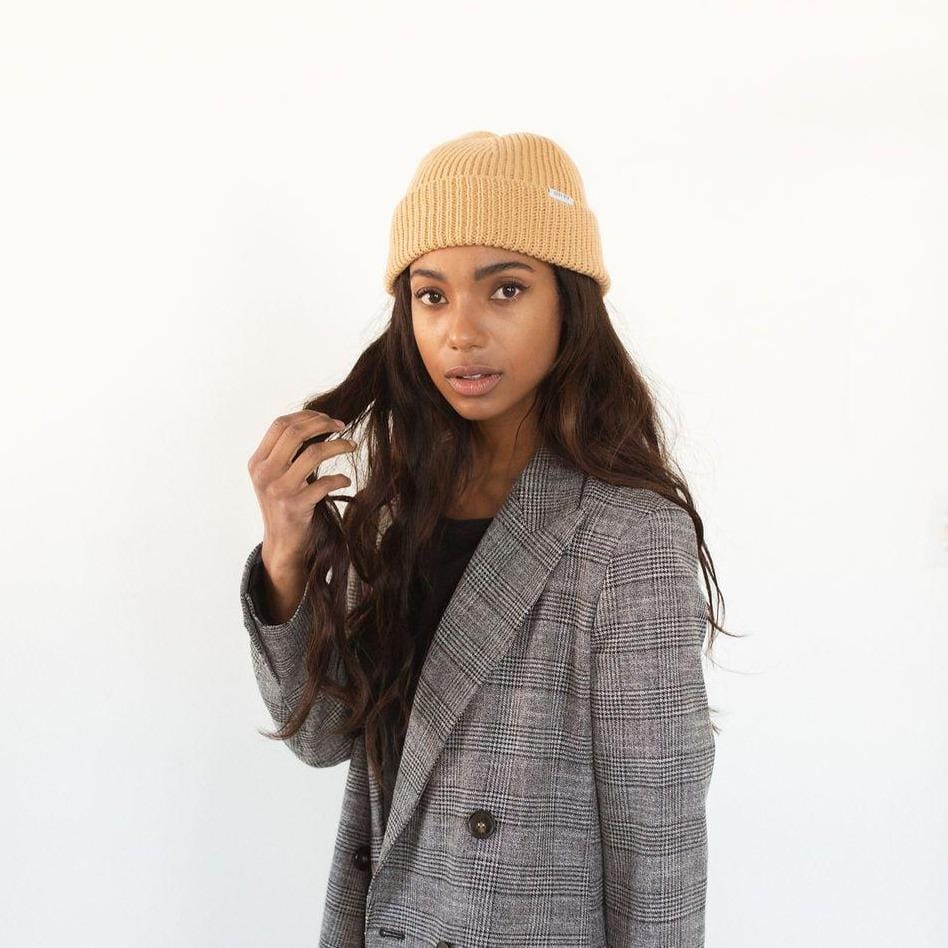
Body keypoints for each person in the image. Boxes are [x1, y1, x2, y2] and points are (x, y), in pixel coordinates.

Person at [240, 130, 729, 947]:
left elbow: (659, 850)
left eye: (504, 290)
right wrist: (287, 553)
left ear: (568, 301)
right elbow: (323, 739)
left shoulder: (628, 535)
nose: (459, 331)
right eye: (431, 296)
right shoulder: (399, 508)